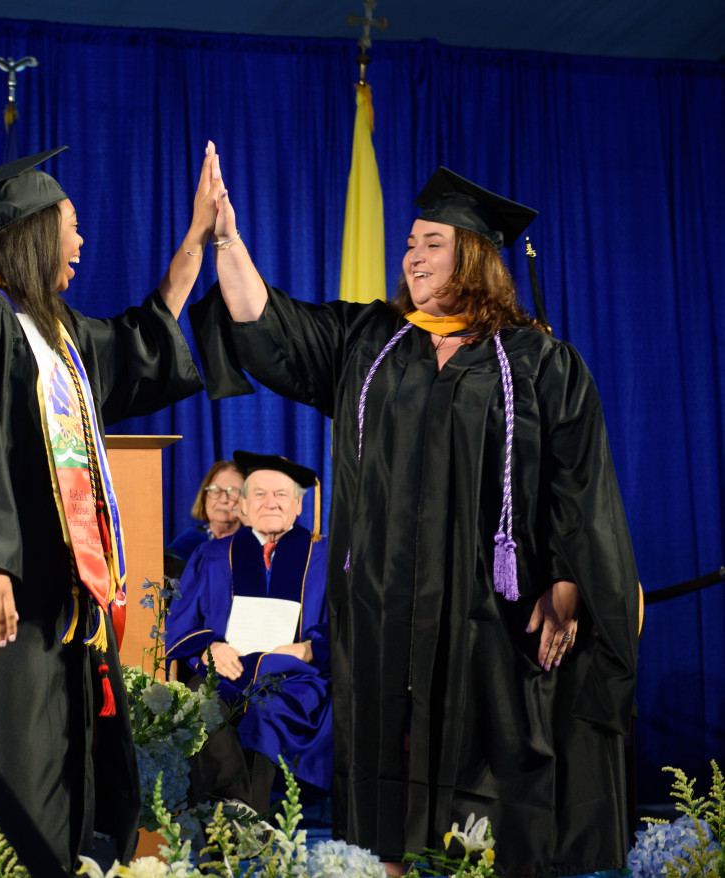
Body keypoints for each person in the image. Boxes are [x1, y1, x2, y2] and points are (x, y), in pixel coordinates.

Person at [192, 155, 641, 875]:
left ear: (476, 255)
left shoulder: (537, 361)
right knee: (386, 773)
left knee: (488, 772)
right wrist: (226, 242)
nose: (414, 254)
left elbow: (579, 483)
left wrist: (566, 583)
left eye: (433, 241)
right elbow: (268, 321)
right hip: (385, 606)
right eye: (409, 242)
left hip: (488, 613)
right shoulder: (371, 343)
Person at [0, 143, 214, 867]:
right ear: (33, 229)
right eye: (71, 224)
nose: (81, 240)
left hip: (49, 605)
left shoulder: (50, 333)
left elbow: (133, 346)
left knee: (58, 776)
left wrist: (193, 246)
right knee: (9, 778)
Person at [165, 451, 330, 813]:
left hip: (296, 677)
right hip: (222, 671)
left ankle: (238, 824)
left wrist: (309, 649)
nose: (270, 503)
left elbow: (351, 626)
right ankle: (242, 820)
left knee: (264, 713)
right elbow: (180, 625)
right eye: (259, 494)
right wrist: (209, 648)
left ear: (299, 505)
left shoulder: (326, 556)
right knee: (199, 705)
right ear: (242, 504)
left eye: (281, 495)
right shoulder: (210, 554)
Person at [164, 460, 244, 572]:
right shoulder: (184, 545)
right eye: (216, 490)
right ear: (204, 497)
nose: (223, 499)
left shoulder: (256, 544)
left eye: (233, 492)